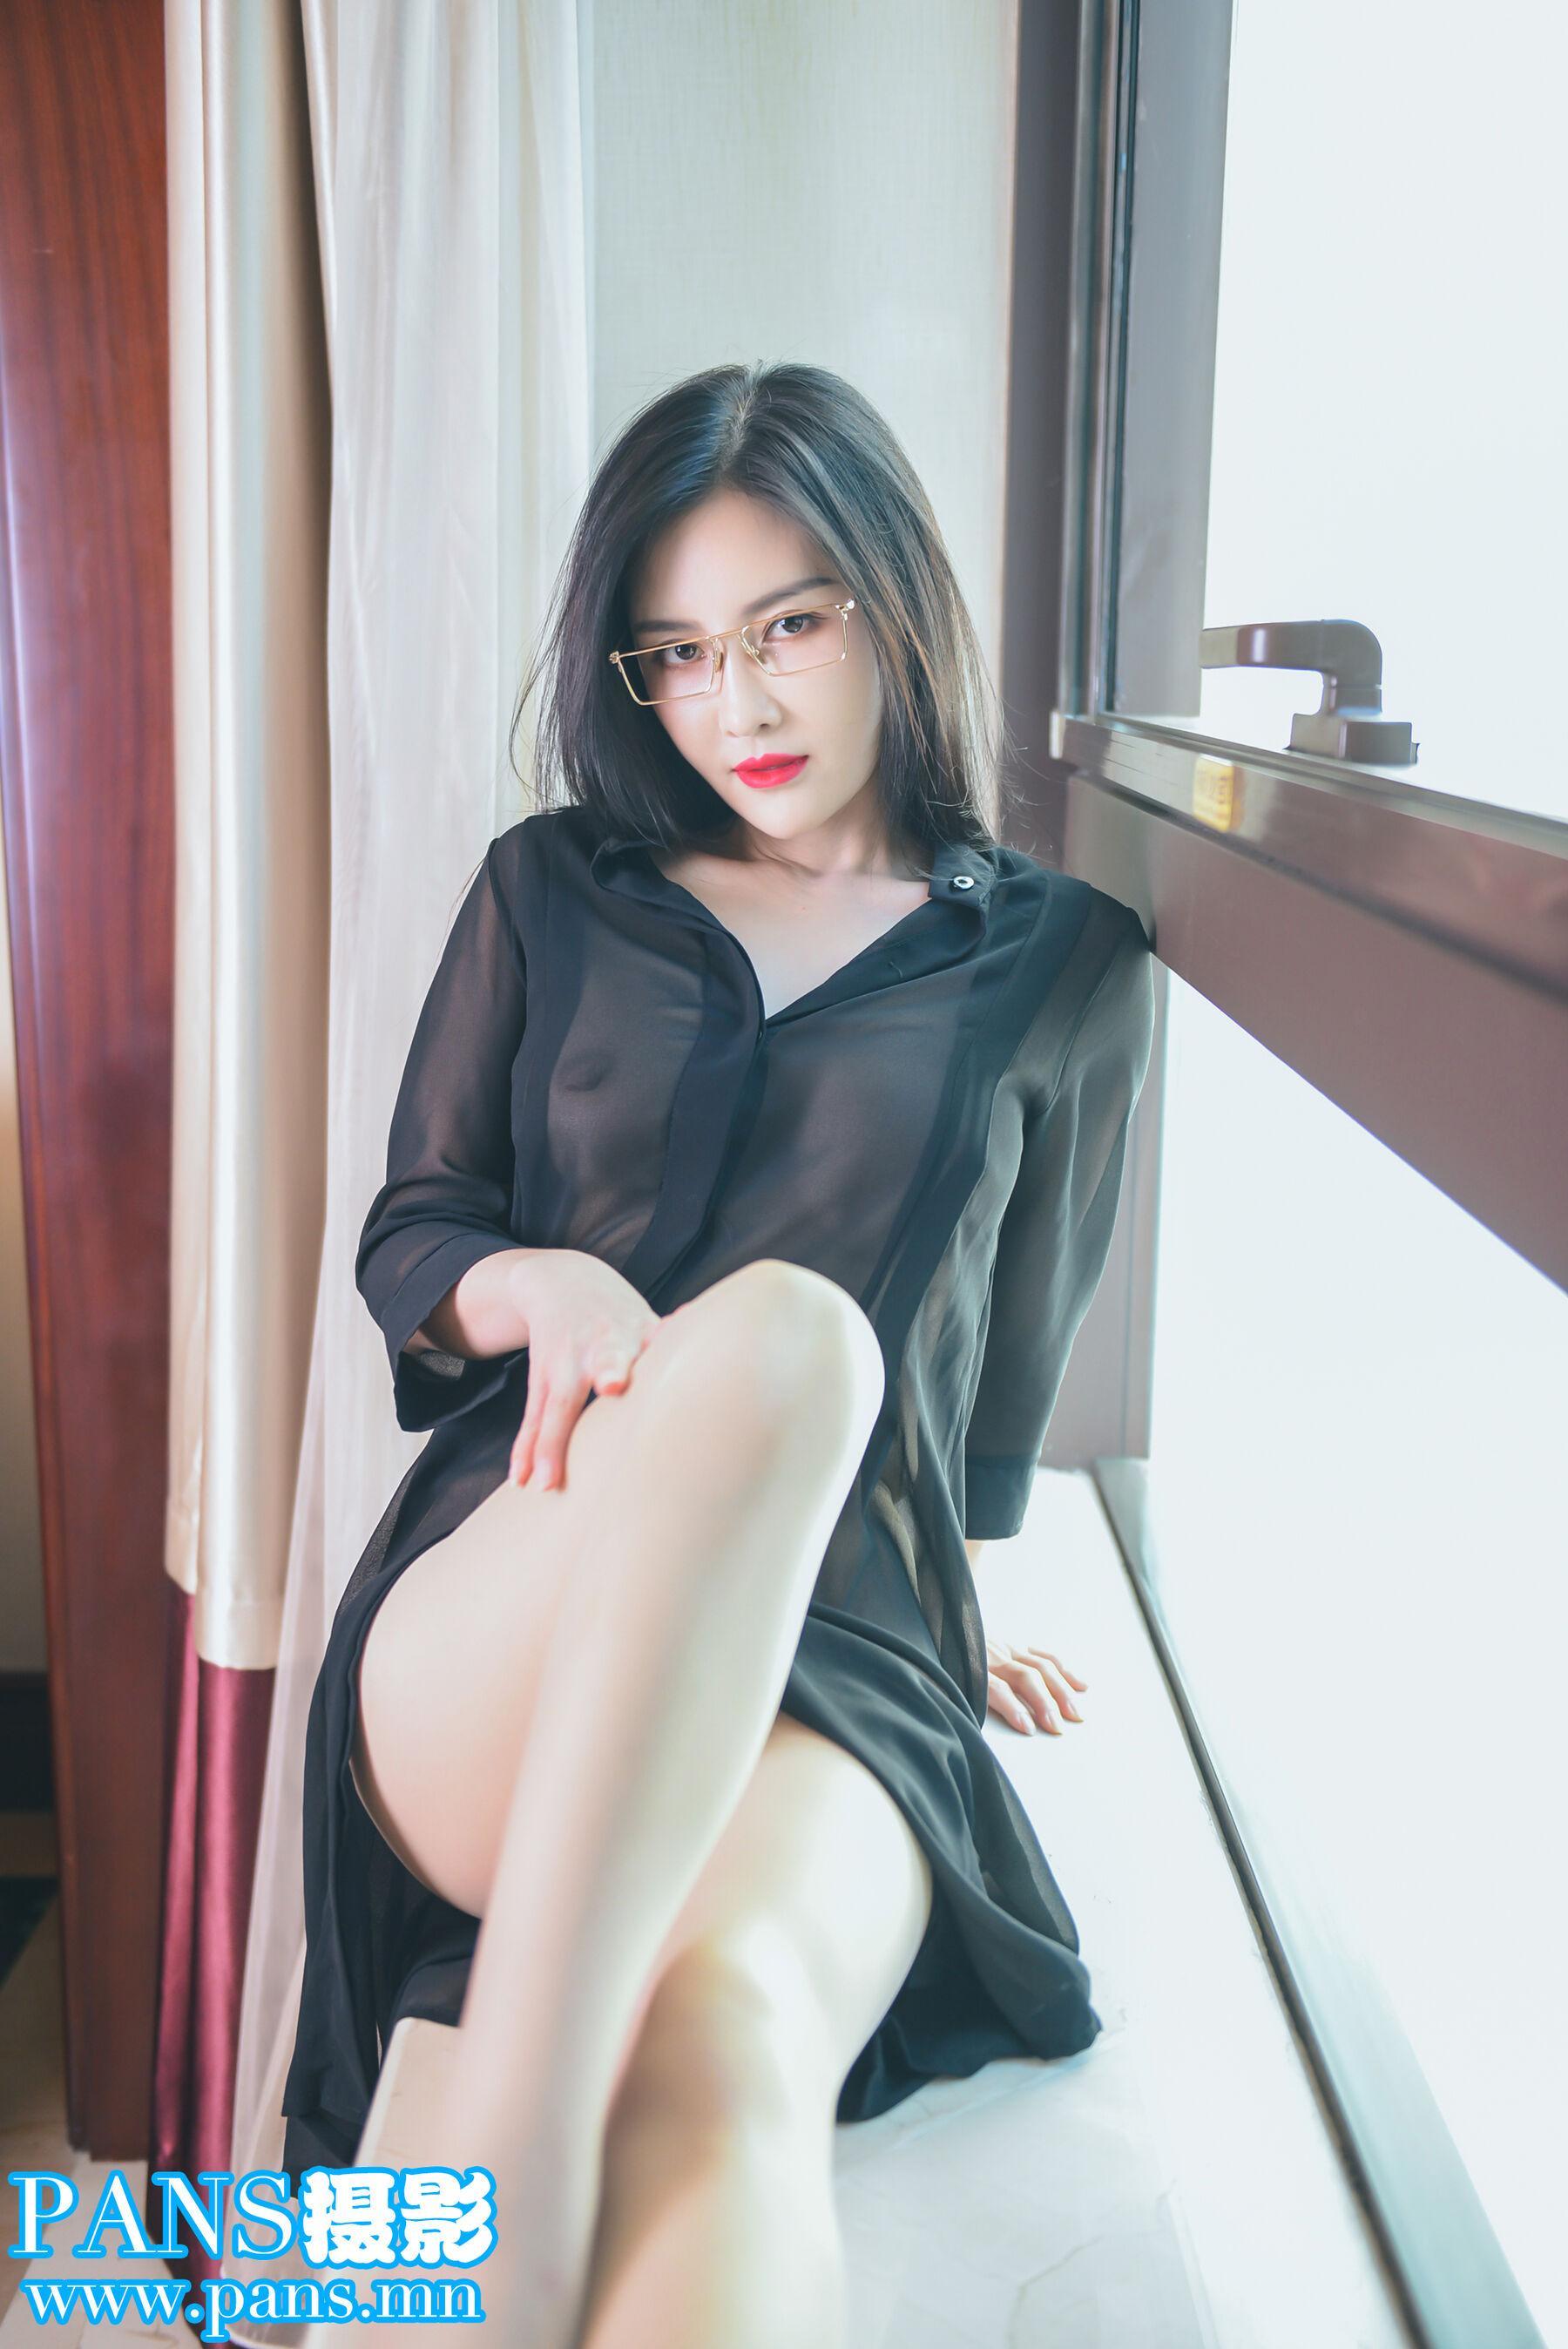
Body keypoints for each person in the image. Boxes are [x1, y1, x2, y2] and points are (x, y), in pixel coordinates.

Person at [280, 360, 1156, 2349]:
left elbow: (992, 1399)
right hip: (521, 1580)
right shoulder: (553, 889)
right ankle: (514, 2162)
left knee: (731, 2040)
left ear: (891, 605)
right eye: (676, 653)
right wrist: (540, 1289)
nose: (735, 702)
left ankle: (502, 2187)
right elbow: (415, 1233)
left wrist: (956, 1609)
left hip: (834, 1659)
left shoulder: (1065, 966)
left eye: (788, 627)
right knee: (782, 1345)